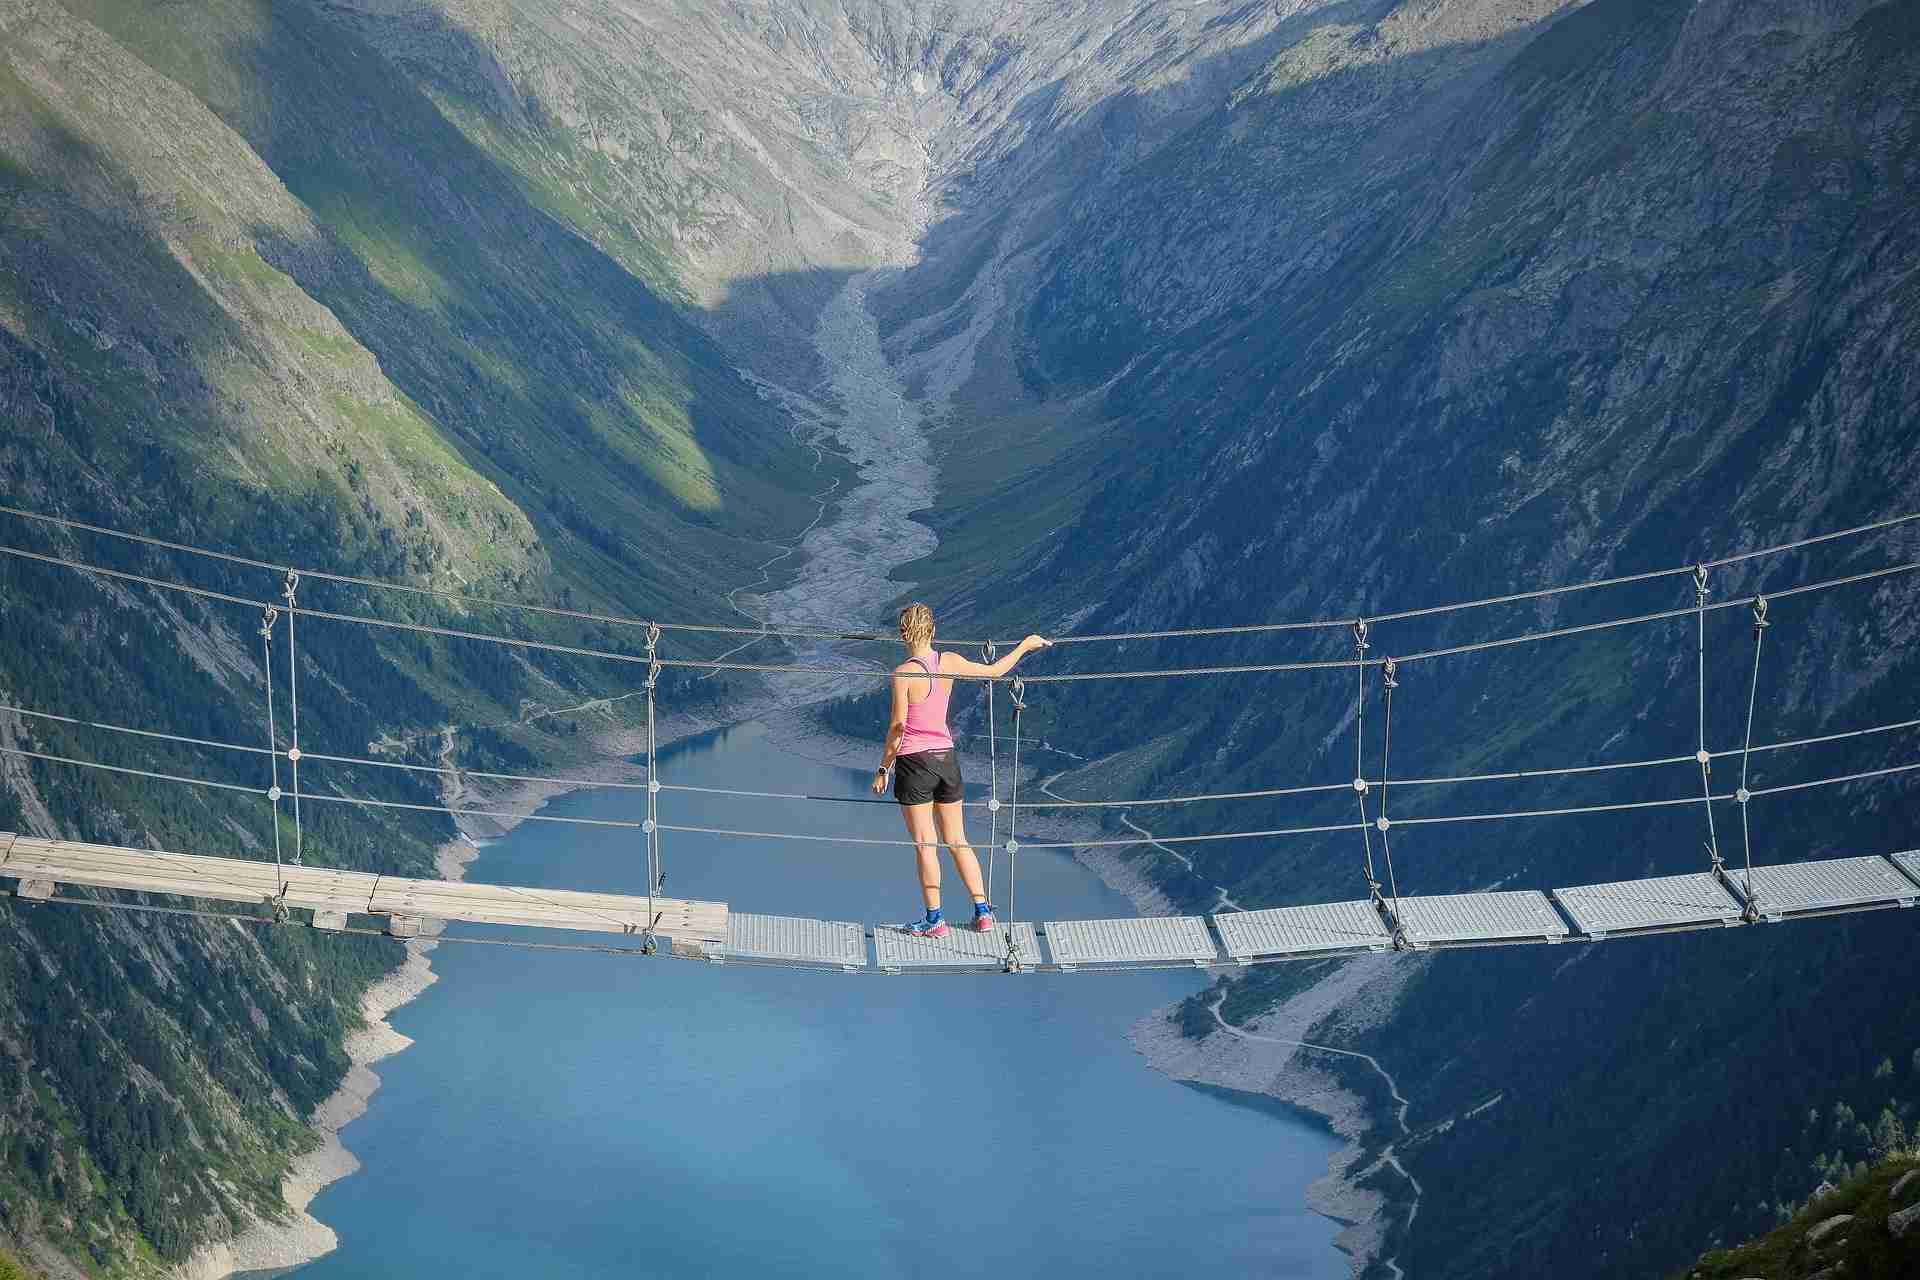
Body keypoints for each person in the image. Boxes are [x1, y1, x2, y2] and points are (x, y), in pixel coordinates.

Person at [872, 603, 1050, 937]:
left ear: (903, 635)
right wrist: (1026, 645)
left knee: (926, 843)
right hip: (947, 760)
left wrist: (884, 768)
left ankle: (934, 920)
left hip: (915, 763)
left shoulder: (902, 674)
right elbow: (996, 672)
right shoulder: (949, 662)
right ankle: (983, 913)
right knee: (958, 840)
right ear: (933, 631)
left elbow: (898, 728)